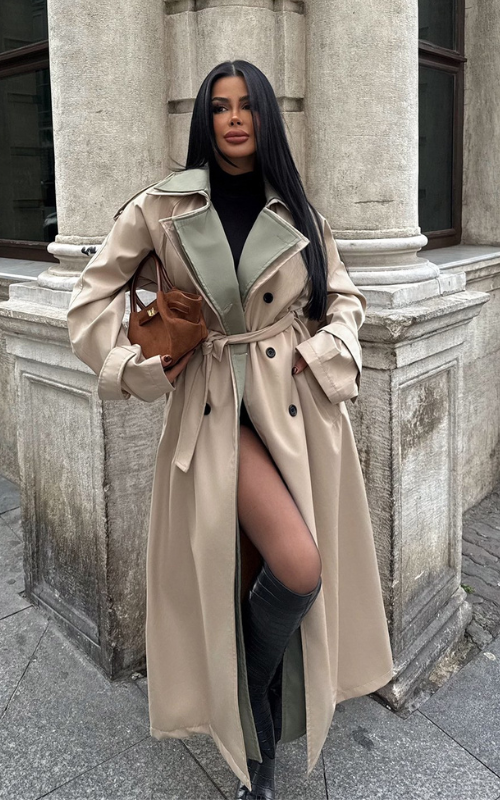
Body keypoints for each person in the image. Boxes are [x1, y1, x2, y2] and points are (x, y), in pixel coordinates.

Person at [67, 60, 394, 800]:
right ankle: (247, 722)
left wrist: (323, 352)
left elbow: (346, 300)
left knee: (265, 576)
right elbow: (89, 303)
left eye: (247, 105)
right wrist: (141, 368)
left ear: (267, 116)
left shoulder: (297, 206)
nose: (234, 118)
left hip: (294, 412)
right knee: (296, 566)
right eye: (220, 106)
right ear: (205, 120)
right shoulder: (162, 206)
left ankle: (255, 748)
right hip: (214, 408)